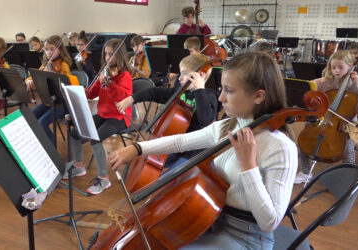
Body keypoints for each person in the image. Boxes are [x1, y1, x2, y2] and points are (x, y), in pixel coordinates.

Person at [109, 52, 297, 249]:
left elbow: (270, 222)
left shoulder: (281, 147)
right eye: (221, 89)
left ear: (259, 96)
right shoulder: (226, 127)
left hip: (247, 238)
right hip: (211, 219)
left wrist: (248, 166)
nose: (221, 97)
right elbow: (181, 142)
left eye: (229, 90)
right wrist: (137, 148)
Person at [117, 53, 220, 170]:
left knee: (169, 178)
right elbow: (154, 93)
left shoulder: (209, 97)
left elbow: (205, 120)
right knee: (141, 160)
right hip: (175, 145)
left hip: (194, 151)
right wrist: (131, 98)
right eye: (180, 73)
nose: (180, 78)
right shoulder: (180, 92)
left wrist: (200, 90)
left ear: (200, 75)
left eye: (184, 74)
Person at [67, 38, 132, 195]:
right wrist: (81, 90)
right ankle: (79, 166)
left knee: (95, 138)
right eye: (106, 54)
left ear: (120, 56)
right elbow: (92, 92)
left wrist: (110, 84)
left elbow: (123, 98)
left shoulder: (125, 76)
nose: (108, 57)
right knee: (75, 132)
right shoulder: (104, 71)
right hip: (103, 113)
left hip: (119, 117)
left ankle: (104, 179)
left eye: (112, 54)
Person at [295, 50, 358, 183]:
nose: (336, 71)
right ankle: (305, 172)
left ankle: (349, 174)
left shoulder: (357, 83)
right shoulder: (327, 81)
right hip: (325, 117)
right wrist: (308, 89)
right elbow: (310, 86)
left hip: (346, 122)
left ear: (350, 66)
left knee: (349, 146)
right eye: (333, 67)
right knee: (306, 135)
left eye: (340, 68)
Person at [25, 35, 72, 141]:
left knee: (42, 122)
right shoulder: (45, 65)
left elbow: (64, 87)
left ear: (60, 50)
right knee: (30, 117)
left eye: (52, 49)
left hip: (62, 104)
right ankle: (41, 143)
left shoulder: (64, 66)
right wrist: (29, 80)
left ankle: (52, 149)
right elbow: (30, 77)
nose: (49, 52)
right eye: (46, 49)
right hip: (49, 101)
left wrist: (49, 75)